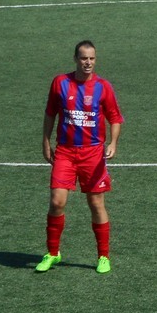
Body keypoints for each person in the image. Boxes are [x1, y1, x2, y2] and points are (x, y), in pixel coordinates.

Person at [36, 40, 124, 274]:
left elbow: (115, 118)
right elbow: (50, 113)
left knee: (96, 204)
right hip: (65, 152)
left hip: (92, 154)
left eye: (92, 58)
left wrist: (113, 143)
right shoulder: (60, 83)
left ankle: (103, 256)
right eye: (84, 58)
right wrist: (45, 142)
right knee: (57, 202)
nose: (88, 62)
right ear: (75, 59)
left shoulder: (103, 87)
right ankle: (53, 253)